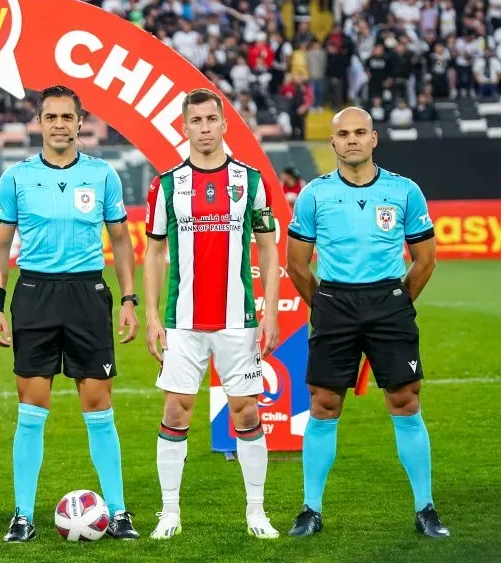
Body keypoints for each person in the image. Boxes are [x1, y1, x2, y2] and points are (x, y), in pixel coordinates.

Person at [0, 85, 140, 542]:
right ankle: (22, 515)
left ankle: (118, 512)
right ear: (39, 122)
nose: (58, 124)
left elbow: (122, 243)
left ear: (79, 122)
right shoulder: (15, 178)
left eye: (66, 117)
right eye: (50, 116)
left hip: (89, 295)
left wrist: (128, 300)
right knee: (32, 407)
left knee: (98, 406)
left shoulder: (102, 175)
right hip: (34, 294)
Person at [286, 106, 448, 538]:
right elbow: (298, 266)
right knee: (323, 406)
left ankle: (426, 508)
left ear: (374, 138)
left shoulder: (404, 191)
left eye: (360, 132)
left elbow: (425, 259)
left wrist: (396, 302)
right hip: (335, 304)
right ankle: (310, 509)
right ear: (333, 142)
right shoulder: (314, 195)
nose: (352, 139)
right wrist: (323, 306)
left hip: (388, 303)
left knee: (405, 403)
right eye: (344, 133)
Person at [143, 88, 281, 540]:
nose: (204, 128)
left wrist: (271, 313)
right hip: (182, 320)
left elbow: (267, 244)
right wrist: (151, 315)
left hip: (236, 319)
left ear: (225, 125)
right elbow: (155, 251)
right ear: (184, 128)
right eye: (196, 121)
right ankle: (169, 512)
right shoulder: (166, 184)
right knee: (177, 410)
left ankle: (257, 511)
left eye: (211, 120)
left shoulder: (250, 180)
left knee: (244, 413)